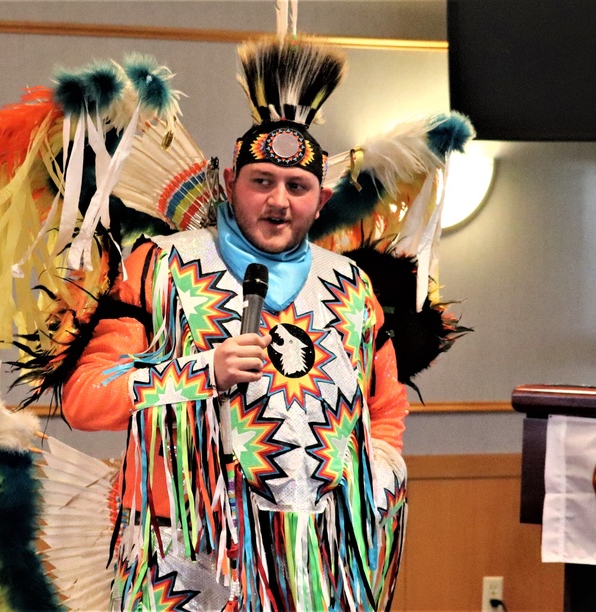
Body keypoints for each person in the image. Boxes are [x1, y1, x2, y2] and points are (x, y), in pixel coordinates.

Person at [61, 37, 410, 612]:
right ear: (229, 183)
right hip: (192, 559)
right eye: (261, 181)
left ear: (320, 201)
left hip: (322, 562)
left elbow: (385, 407)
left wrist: (379, 482)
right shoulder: (160, 266)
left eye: (296, 187)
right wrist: (202, 371)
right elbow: (84, 399)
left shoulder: (352, 285)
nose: (278, 201)